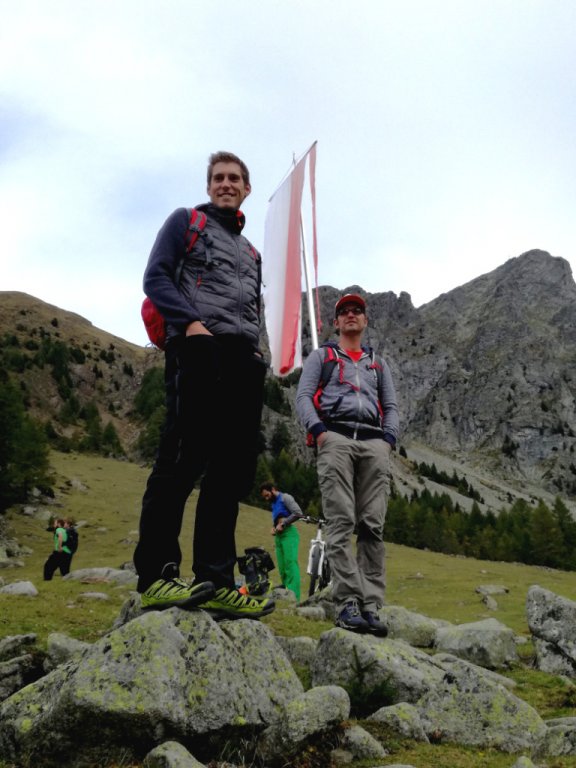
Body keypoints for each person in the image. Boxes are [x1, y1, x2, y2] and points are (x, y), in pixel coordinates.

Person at [133, 151, 274, 619]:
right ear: (209, 185)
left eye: (234, 178)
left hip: (242, 362)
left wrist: (257, 353)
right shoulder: (186, 222)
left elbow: (251, 310)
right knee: (180, 460)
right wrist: (192, 325)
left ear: (247, 188)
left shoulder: (251, 253)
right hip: (197, 349)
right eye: (218, 177)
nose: (226, 184)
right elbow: (155, 278)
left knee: (230, 471)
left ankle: (215, 580)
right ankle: (156, 576)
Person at [295, 293, 399, 635]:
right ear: (336, 322)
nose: (351, 315)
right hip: (335, 439)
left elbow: (391, 406)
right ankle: (347, 603)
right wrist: (319, 432)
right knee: (340, 522)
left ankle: (371, 606)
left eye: (357, 311)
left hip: (374, 444)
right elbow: (303, 396)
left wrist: (388, 441)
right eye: (344, 312)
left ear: (365, 321)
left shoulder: (378, 364)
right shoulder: (322, 357)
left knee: (372, 525)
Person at [260, 482, 304, 602]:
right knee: (282, 567)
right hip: (279, 537)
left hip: (289, 534)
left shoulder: (285, 498)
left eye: (267, 495)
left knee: (290, 564)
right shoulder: (274, 503)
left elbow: (298, 513)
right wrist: (274, 528)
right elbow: (278, 520)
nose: (266, 498)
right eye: (264, 497)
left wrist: (284, 524)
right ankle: (286, 592)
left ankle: (294, 596)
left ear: (273, 489)